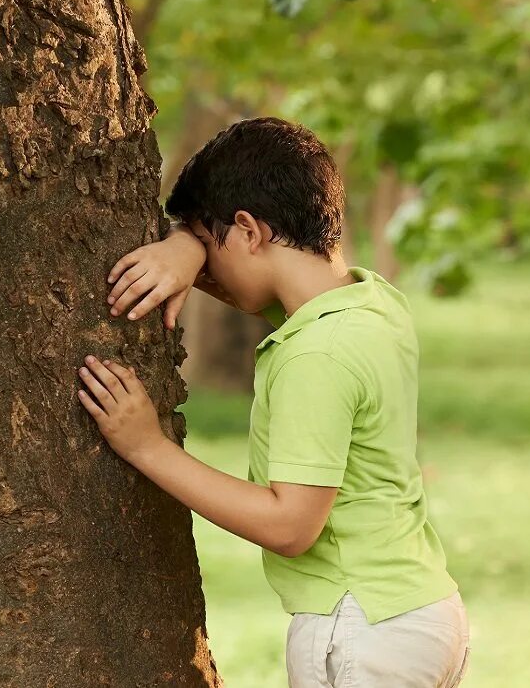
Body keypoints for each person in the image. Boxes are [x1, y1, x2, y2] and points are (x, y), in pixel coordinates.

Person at [74, 117, 469, 688]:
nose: (209, 270)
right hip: (420, 612)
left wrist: (147, 448)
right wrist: (190, 245)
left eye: (213, 246)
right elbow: (256, 286)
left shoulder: (317, 355)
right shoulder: (371, 305)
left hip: (360, 626)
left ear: (248, 230)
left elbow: (290, 526)